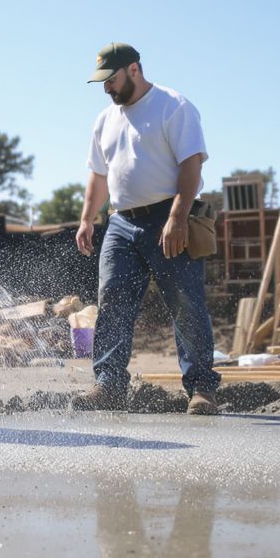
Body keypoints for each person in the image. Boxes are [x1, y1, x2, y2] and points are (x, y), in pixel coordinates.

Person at [72, 42, 221, 414]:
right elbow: (99, 175)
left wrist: (177, 217)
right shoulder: (105, 120)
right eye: (102, 82)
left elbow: (191, 166)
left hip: (167, 218)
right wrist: (87, 218)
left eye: (112, 79)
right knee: (113, 303)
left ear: (134, 70)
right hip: (121, 223)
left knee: (186, 302)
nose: (107, 88)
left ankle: (201, 388)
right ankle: (108, 386)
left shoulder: (173, 106)